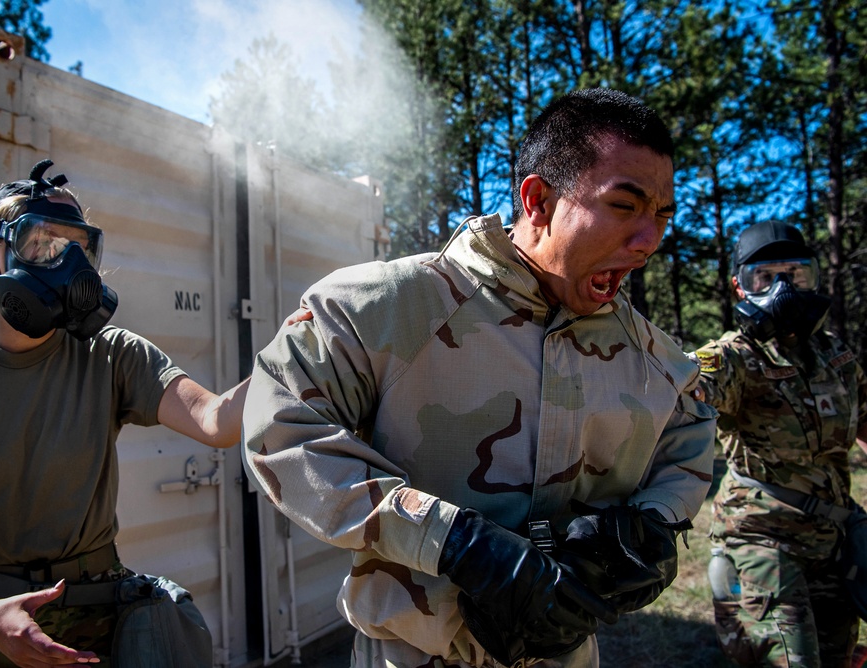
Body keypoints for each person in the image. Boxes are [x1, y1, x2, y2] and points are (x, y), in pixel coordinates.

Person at [242, 88, 717, 668]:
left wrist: (650, 527)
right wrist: (453, 542)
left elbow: (690, 444)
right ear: (538, 201)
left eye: (662, 216)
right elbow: (280, 426)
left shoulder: (651, 356)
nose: (649, 243)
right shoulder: (387, 308)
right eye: (625, 206)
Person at [0, 159, 302, 667]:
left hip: (93, 625)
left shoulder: (110, 354)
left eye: (78, 247)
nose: (64, 262)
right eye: (42, 243)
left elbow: (217, 421)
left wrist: (290, 351)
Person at [693, 221, 867, 667]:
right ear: (740, 286)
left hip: (832, 540)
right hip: (760, 539)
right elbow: (688, 386)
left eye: (796, 273)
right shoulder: (736, 355)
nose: (783, 288)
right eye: (766, 277)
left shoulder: (836, 356)